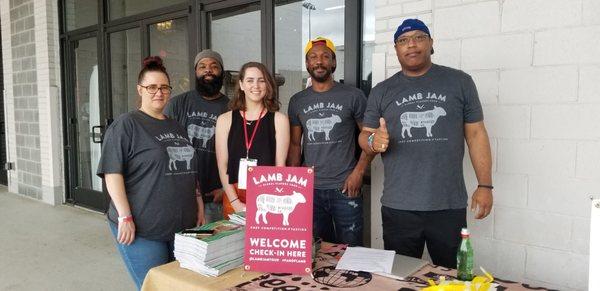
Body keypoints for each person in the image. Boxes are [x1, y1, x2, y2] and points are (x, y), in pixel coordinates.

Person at [358, 19, 493, 268]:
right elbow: (365, 136)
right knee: (401, 273)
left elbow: (476, 135)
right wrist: (372, 140)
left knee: (452, 274)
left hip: (447, 204)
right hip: (399, 205)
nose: (411, 45)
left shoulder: (460, 82)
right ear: (396, 49)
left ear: (431, 44)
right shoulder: (382, 91)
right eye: (403, 40)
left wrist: (485, 185)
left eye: (419, 38)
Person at [97, 56, 203, 289]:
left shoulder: (175, 125)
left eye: (164, 87)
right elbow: (112, 172)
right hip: (143, 228)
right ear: (140, 89)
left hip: (182, 226)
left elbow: (190, 167)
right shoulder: (127, 124)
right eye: (152, 87)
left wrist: (198, 202)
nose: (159, 92)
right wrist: (125, 216)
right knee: (156, 286)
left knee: (181, 285)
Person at [287, 37, 372, 246]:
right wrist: (294, 183)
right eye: (313, 57)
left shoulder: (354, 96)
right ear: (307, 64)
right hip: (311, 189)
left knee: (351, 251)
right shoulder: (297, 101)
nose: (319, 61)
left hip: (345, 187)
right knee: (317, 250)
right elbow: (296, 144)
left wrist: (358, 172)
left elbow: (370, 137)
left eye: (325, 56)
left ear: (333, 63)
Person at [215, 62, 290, 218]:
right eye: (250, 80)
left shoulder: (279, 120)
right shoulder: (225, 120)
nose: (255, 85)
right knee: (234, 242)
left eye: (261, 80)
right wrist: (235, 202)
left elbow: (280, 167)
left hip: (268, 194)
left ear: (268, 84)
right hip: (233, 193)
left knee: (262, 242)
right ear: (241, 85)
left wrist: (270, 201)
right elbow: (222, 165)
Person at [164, 49, 229, 223]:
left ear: (221, 73)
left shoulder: (232, 108)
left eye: (214, 66)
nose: (208, 70)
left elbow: (241, 152)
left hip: (216, 198)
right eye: (202, 66)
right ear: (196, 72)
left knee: (212, 246)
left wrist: (227, 189)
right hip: (181, 195)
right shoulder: (177, 104)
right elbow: (162, 146)